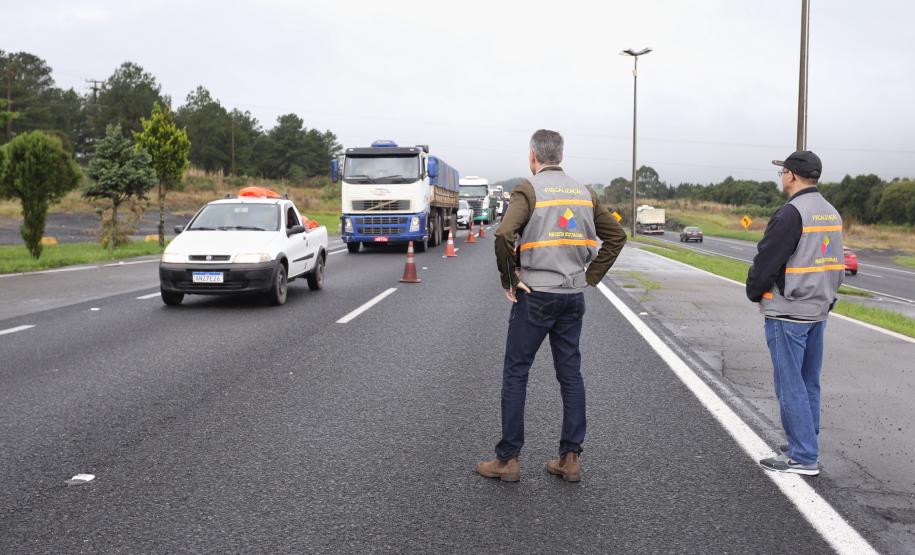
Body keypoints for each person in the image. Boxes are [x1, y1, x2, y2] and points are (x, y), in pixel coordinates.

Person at [475, 129, 627, 483]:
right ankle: (570, 458)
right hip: (572, 298)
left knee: (516, 373)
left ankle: (508, 459)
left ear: (533, 157)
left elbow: (503, 234)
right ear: (560, 155)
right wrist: (590, 277)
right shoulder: (585, 192)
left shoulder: (529, 189)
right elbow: (616, 236)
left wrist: (510, 279)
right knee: (570, 375)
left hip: (536, 296)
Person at [746, 150, 843, 476]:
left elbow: (768, 258)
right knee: (808, 382)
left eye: (782, 172)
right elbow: (836, 263)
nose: (781, 177)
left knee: (790, 384)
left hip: (789, 310)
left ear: (791, 175)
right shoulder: (831, 212)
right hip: (818, 309)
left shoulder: (791, 213)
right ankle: (805, 443)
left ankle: (803, 456)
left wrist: (754, 291)